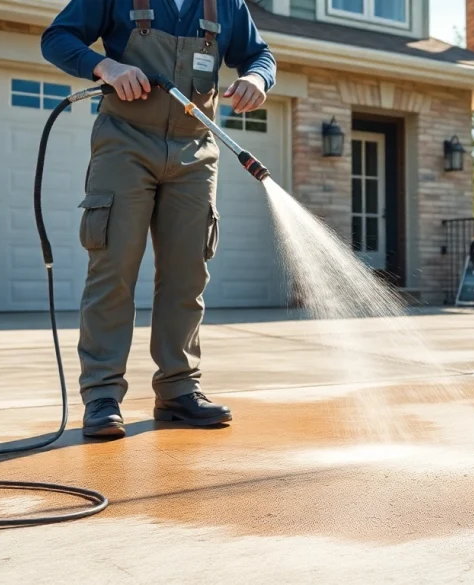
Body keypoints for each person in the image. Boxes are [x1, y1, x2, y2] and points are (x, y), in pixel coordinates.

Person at [40, 0, 276, 439]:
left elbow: (259, 55)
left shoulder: (226, 4)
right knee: (114, 267)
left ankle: (178, 389)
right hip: (124, 143)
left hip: (195, 151)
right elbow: (56, 39)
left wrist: (256, 78)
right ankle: (102, 396)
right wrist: (105, 67)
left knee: (188, 273)